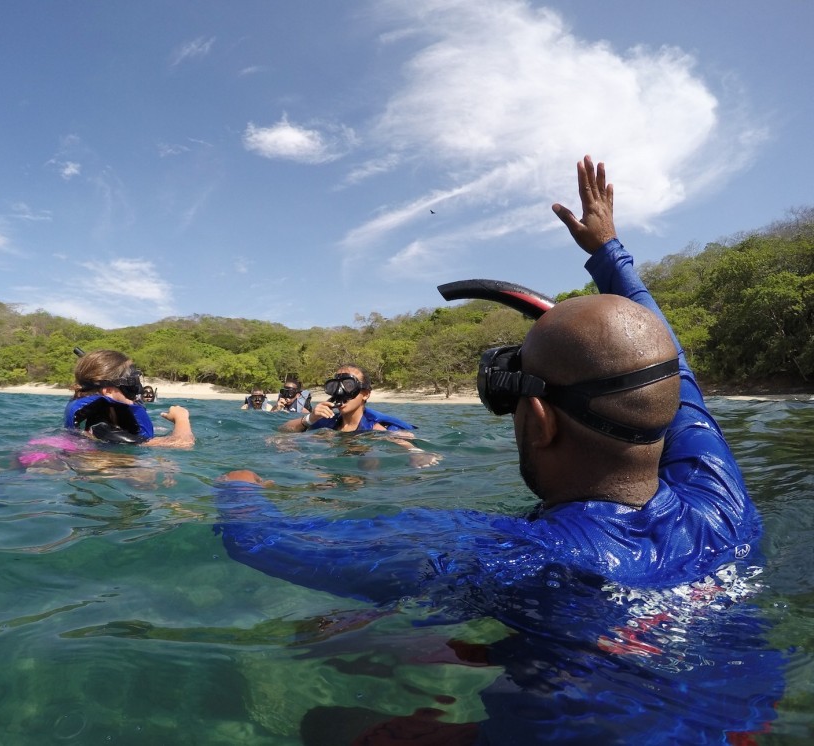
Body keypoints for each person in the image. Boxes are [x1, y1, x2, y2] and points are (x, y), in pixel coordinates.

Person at [214, 157, 782, 742]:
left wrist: (237, 487)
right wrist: (610, 251)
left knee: (327, 724)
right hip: (742, 723)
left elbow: (258, 542)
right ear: (672, 405)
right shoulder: (719, 491)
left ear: (537, 419)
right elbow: (669, 360)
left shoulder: (512, 555)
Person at [65, 349, 194, 448]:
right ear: (108, 391)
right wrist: (181, 418)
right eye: (131, 384)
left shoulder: (105, 408)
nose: (137, 389)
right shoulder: (101, 428)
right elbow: (182, 443)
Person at [279, 365, 415, 434]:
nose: (340, 392)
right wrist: (311, 418)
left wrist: (416, 453)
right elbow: (283, 430)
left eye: (348, 386)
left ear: (366, 394)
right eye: (335, 386)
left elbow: (404, 442)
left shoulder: (376, 428)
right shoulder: (327, 424)